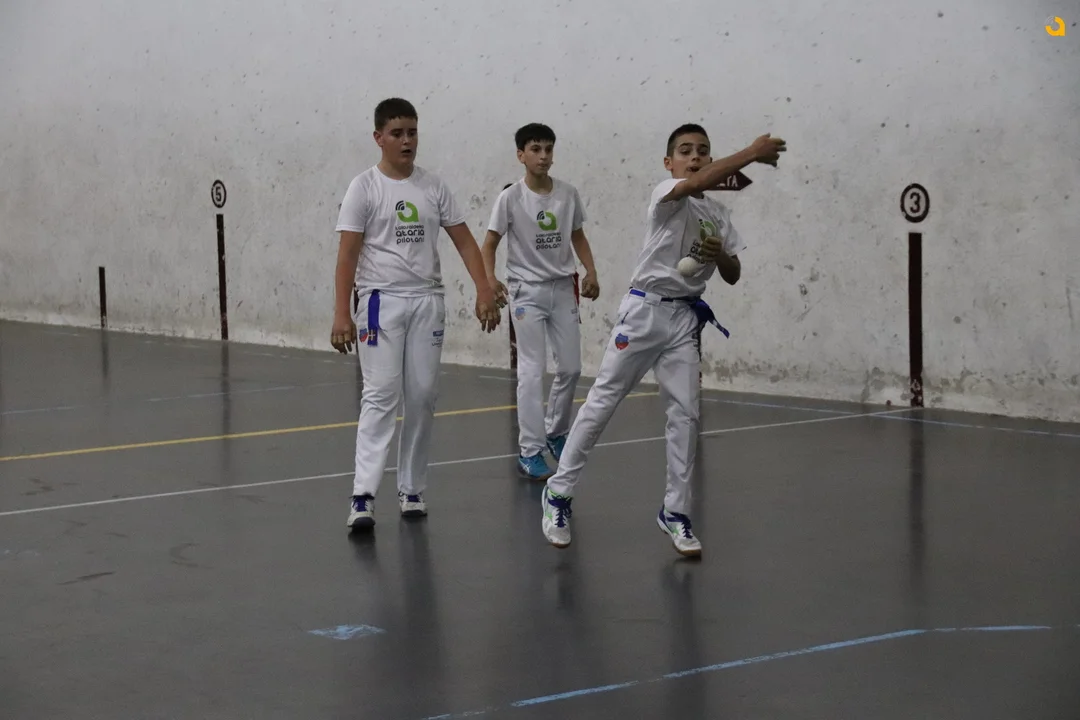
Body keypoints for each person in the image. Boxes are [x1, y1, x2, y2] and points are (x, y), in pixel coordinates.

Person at [539, 125, 787, 557]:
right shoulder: (666, 194)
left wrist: (718, 253)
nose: (695, 157)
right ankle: (558, 493)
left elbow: (733, 274)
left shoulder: (717, 214)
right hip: (643, 313)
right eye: (685, 151)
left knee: (685, 416)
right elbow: (694, 184)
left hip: (684, 320)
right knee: (602, 402)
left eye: (703, 151)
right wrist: (751, 152)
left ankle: (675, 511)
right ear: (669, 163)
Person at [330, 97, 501, 530]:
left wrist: (483, 289)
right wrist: (341, 314)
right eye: (397, 133)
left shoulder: (433, 187)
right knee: (381, 395)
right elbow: (347, 256)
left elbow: (464, 241)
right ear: (379, 138)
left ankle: (412, 489)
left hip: (427, 301)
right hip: (379, 303)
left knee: (423, 396)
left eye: (412, 132)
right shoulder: (363, 188)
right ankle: (363, 495)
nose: (407, 140)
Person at [481, 123, 600, 480]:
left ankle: (555, 431)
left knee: (571, 368)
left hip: (563, 289)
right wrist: (489, 281)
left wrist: (591, 271)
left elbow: (578, 235)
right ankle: (530, 450)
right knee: (532, 373)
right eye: (535, 149)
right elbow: (489, 244)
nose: (544, 156)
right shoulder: (510, 198)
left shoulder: (567, 194)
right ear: (521, 155)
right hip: (526, 292)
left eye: (548, 149)